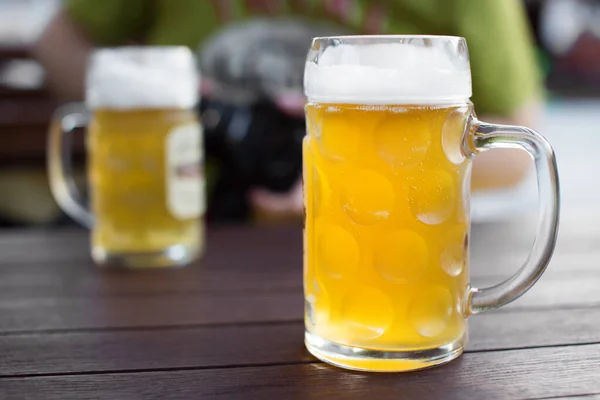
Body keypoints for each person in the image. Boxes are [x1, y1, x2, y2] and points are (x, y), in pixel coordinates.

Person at [33, 0, 542, 221]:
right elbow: (57, 41)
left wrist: (361, 176)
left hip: (368, 232)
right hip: (182, 220)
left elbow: (517, 145)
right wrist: (160, 103)